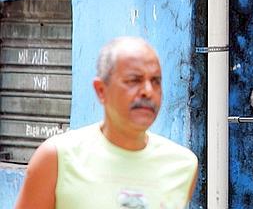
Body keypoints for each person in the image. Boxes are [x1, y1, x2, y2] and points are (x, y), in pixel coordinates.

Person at [15, 36, 198, 209]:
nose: (148, 91)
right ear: (101, 90)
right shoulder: (57, 158)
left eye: (156, 81)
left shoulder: (183, 165)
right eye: (134, 80)